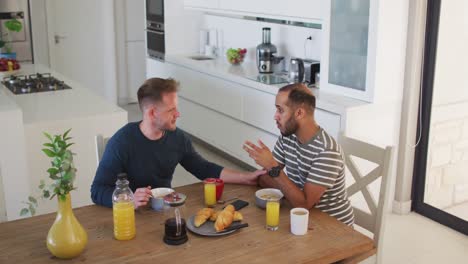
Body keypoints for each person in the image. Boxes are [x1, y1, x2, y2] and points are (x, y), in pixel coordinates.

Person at [91, 78, 265, 208]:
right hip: (132, 215)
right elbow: (97, 190)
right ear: (152, 113)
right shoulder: (122, 141)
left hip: (165, 211)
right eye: (171, 110)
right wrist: (128, 199)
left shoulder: (177, 138)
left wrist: (246, 177)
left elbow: (204, 169)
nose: (178, 114)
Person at [243, 83, 354, 226]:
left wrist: (273, 167)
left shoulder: (327, 151)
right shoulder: (288, 136)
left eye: (280, 110)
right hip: (303, 217)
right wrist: (295, 194)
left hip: (333, 226)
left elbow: (302, 205)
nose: (275, 116)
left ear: (299, 113)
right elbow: (263, 179)